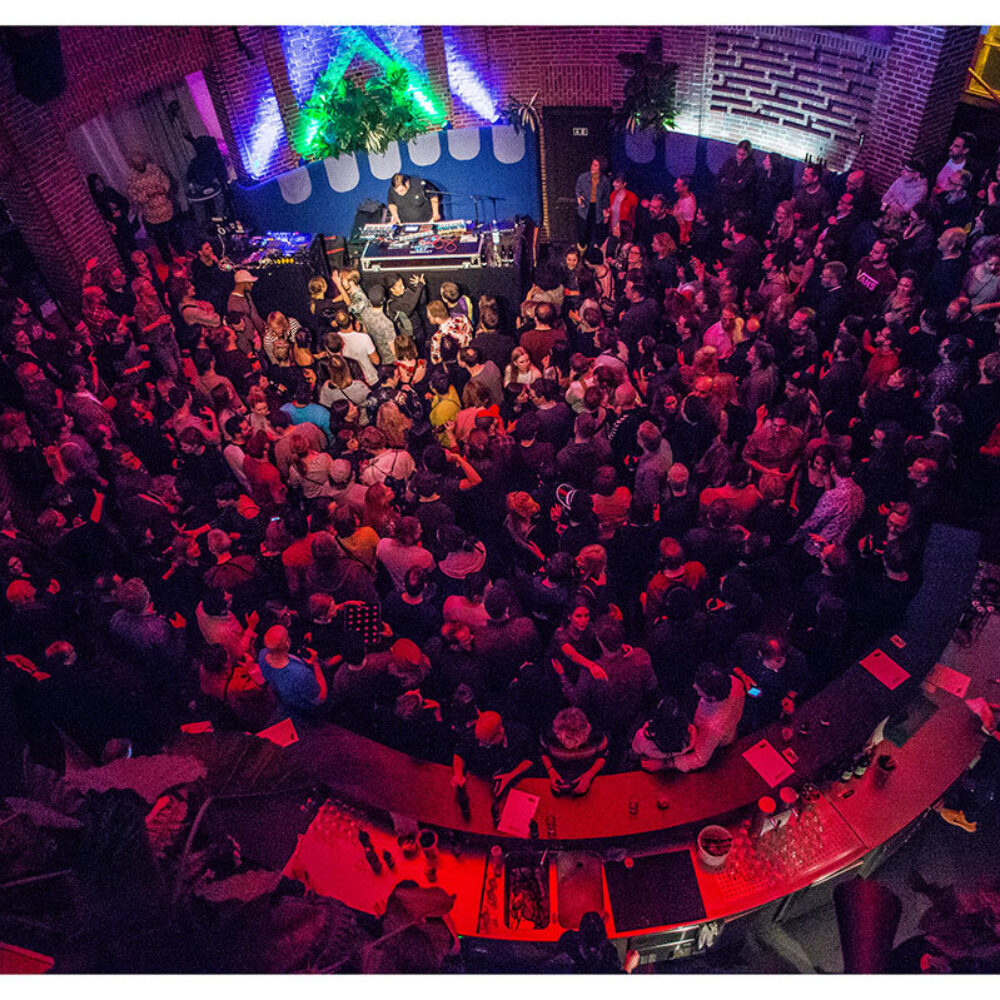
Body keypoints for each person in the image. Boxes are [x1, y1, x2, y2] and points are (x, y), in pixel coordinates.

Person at [126, 153, 183, 263]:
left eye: (141, 163)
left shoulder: (154, 169)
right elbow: (133, 196)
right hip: (151, 215)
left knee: (174, 235)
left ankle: (182, 255)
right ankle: (168, 261)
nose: (140, 166)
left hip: (166, 209)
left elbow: (165, 181)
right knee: (161, 240)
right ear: (133, 165)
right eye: (137, 165)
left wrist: (162, 188)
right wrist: (147, 194)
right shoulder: (131, 178)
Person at [257, 624, 327, 711]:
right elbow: (321, 698)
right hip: (306, 708)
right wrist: (316, 663)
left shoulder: (262, 654)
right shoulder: (301, 674)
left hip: (288, 700)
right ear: (287, 643)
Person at [574, 156, 611, 250]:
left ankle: (592, 254)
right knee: (582, 233)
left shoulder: (605, 181)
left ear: (601, 168)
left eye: (596, 165)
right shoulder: (583, 177)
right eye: (592, 164)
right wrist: (579, 197)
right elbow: (578, 188)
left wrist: (606, 213)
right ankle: (581, 251)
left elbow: (606, 198)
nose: (592, 167)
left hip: (597, 209)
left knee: (595, 234)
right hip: (585, 208)